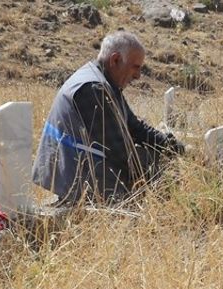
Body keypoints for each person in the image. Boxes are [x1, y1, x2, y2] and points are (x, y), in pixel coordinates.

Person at [33, 30, 184, 203]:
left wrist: (171, 146)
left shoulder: (104, 80)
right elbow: (119, 152)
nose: (138, 75)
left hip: (81, 165)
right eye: (135, 67)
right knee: (153, 169)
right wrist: (159, 188)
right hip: (74, 176)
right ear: (115, 60)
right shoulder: (92, 88)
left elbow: (133, 126)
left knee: (153, 156)